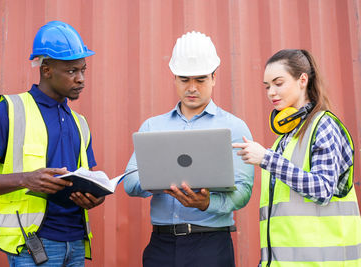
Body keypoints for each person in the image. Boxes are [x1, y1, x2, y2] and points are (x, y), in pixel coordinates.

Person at [0, 21, 105, 267]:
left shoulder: (80, 123)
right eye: (72, 71)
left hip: (76, 245)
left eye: (83, 70)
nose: (81, 79)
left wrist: (95, 197)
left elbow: (89, 181)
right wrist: (25, 179)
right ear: (46, 69)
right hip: (34, 247)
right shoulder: (9, 111)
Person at [124, 31, 254, 267]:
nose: (192, 87)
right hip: (161, 246)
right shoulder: (153, 126)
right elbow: (130, 182)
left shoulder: (234, 128)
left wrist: (207, 204)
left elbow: (244, 191)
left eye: (201, 79)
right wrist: (159, 179)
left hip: (211, 246)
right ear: (174, 78)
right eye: (184, 79)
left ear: (214, 77)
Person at [232, 49, 361, 266]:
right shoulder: (285, 138)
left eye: (278, 83)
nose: (271, 92)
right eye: (267, 86)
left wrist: (267, 159)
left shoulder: (324, 126)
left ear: (302, 80)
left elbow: (323, 189)